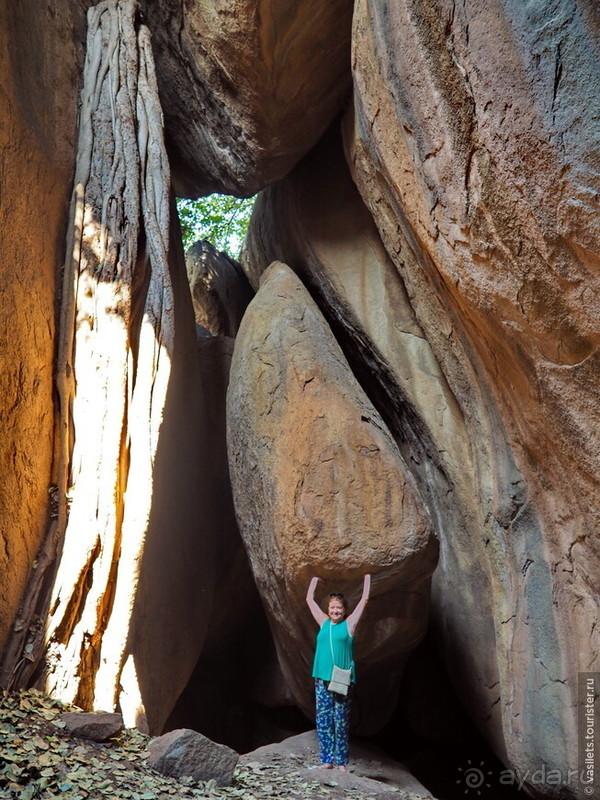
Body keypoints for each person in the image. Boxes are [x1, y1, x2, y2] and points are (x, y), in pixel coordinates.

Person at [306, 574, 371, 770]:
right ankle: (327, 760)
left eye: (339, 607)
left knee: (340, 719)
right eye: (332, 607)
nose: (335, 610)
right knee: (324, 719)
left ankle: (341, 762)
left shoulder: (349, 625)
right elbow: (309, 599)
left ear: (344, 611)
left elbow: (364, 599)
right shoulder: (323, 622)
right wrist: (315, 580)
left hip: (342, 679)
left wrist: (367, 578)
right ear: (328, 609)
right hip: (322, 677)